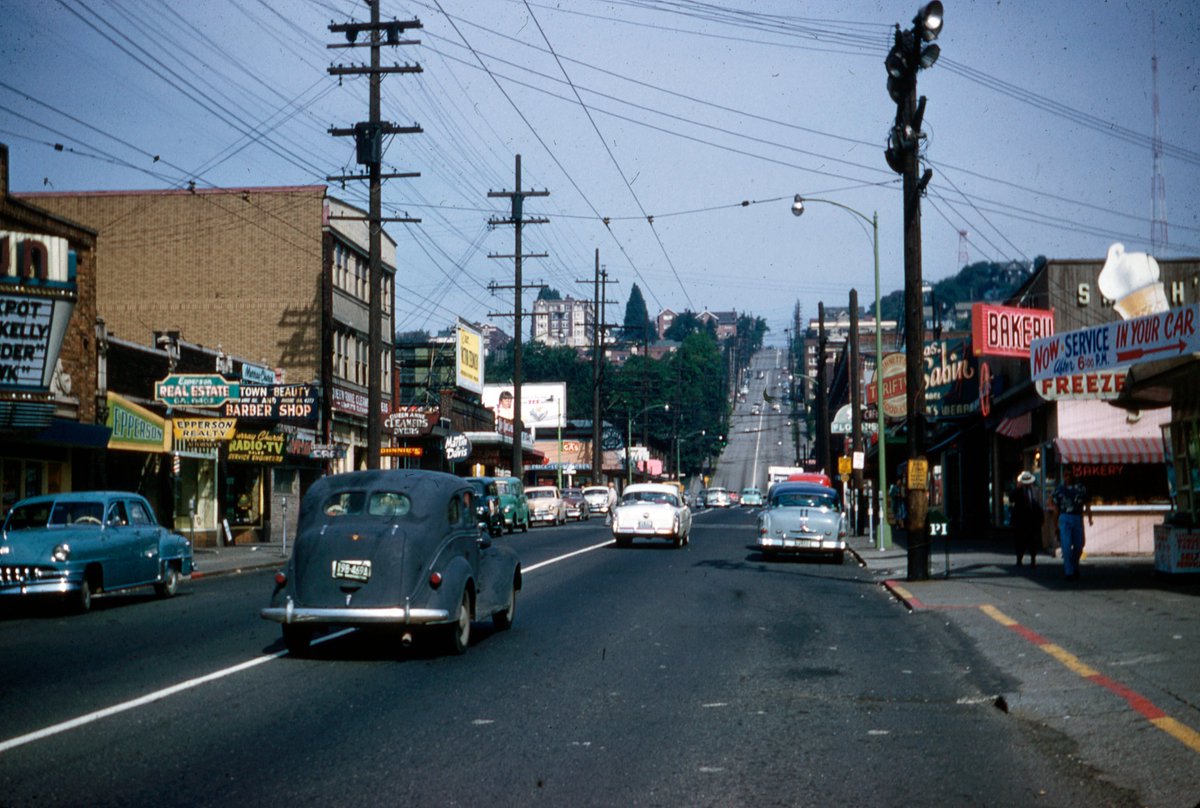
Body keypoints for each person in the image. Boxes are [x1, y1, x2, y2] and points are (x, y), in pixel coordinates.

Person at [1051, 466, 1092, 579]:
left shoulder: (1080, 488)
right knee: (1066, 545)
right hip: (1065, 518)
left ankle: (1074, 566)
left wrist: (1089, 517)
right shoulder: (1059, 490)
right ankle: (1069, 571)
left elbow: (1087, 503)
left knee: (1079, 545)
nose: (1067, 477)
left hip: (1077, 517)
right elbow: (1056, 509)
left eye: (1069, 474)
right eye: (1065, 475)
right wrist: (1055, 525)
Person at [1010, 470, 1043, 568]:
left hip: (1032, 519)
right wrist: (1017, 487)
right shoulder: (1018, 491)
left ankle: (1033, 559)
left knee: (1033, 541)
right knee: (1020, 540)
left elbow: (1039, 504)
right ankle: (1019, 559)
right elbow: (1011, 498)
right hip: (1021, 520)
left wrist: (1040, 518)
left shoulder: (1035, 490)